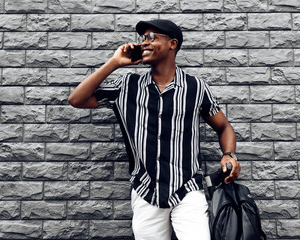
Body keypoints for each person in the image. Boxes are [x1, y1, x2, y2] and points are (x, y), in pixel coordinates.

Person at [68, 19, 240, 240]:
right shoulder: (126, 86)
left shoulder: (196, 88)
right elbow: (77, 99)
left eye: (151, 37)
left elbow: (224, 127)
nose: (144, 43)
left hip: (188, 191)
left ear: (172, 44)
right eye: (143, 38)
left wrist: (229, 155)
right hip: (145, 191)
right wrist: (114, 63)